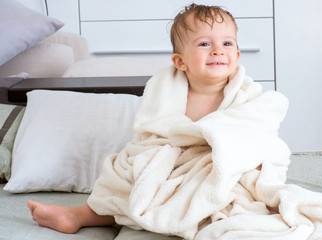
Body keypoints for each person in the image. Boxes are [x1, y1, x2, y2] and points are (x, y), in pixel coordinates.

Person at [27, 3, 241, 234]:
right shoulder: (166, 91)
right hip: (169, 162)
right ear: (180, 62)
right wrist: (152, 160)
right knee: (128, 170)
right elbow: (152, 134)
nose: (218, 50)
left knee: (236, 190)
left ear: (236, 55)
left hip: (214, 167)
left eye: (227, 43)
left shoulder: (244, 95)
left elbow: (254, 135)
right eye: (205, 44)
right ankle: (79, 215)